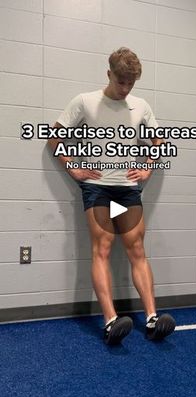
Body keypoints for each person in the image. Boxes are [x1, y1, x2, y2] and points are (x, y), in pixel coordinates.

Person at [48, 47, 176, 345]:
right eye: (121, 82)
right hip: (98, 187)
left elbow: (159, 141)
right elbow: (54, 137)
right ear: (109, 74)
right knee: (102, 247)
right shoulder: (85, 102)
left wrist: (148, 168)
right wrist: (74, 170)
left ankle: (153, 318)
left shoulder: (141, 105)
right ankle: (110, 321)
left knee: (137, 250)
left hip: (128, 190)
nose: (126, 88)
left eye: (131, 83)